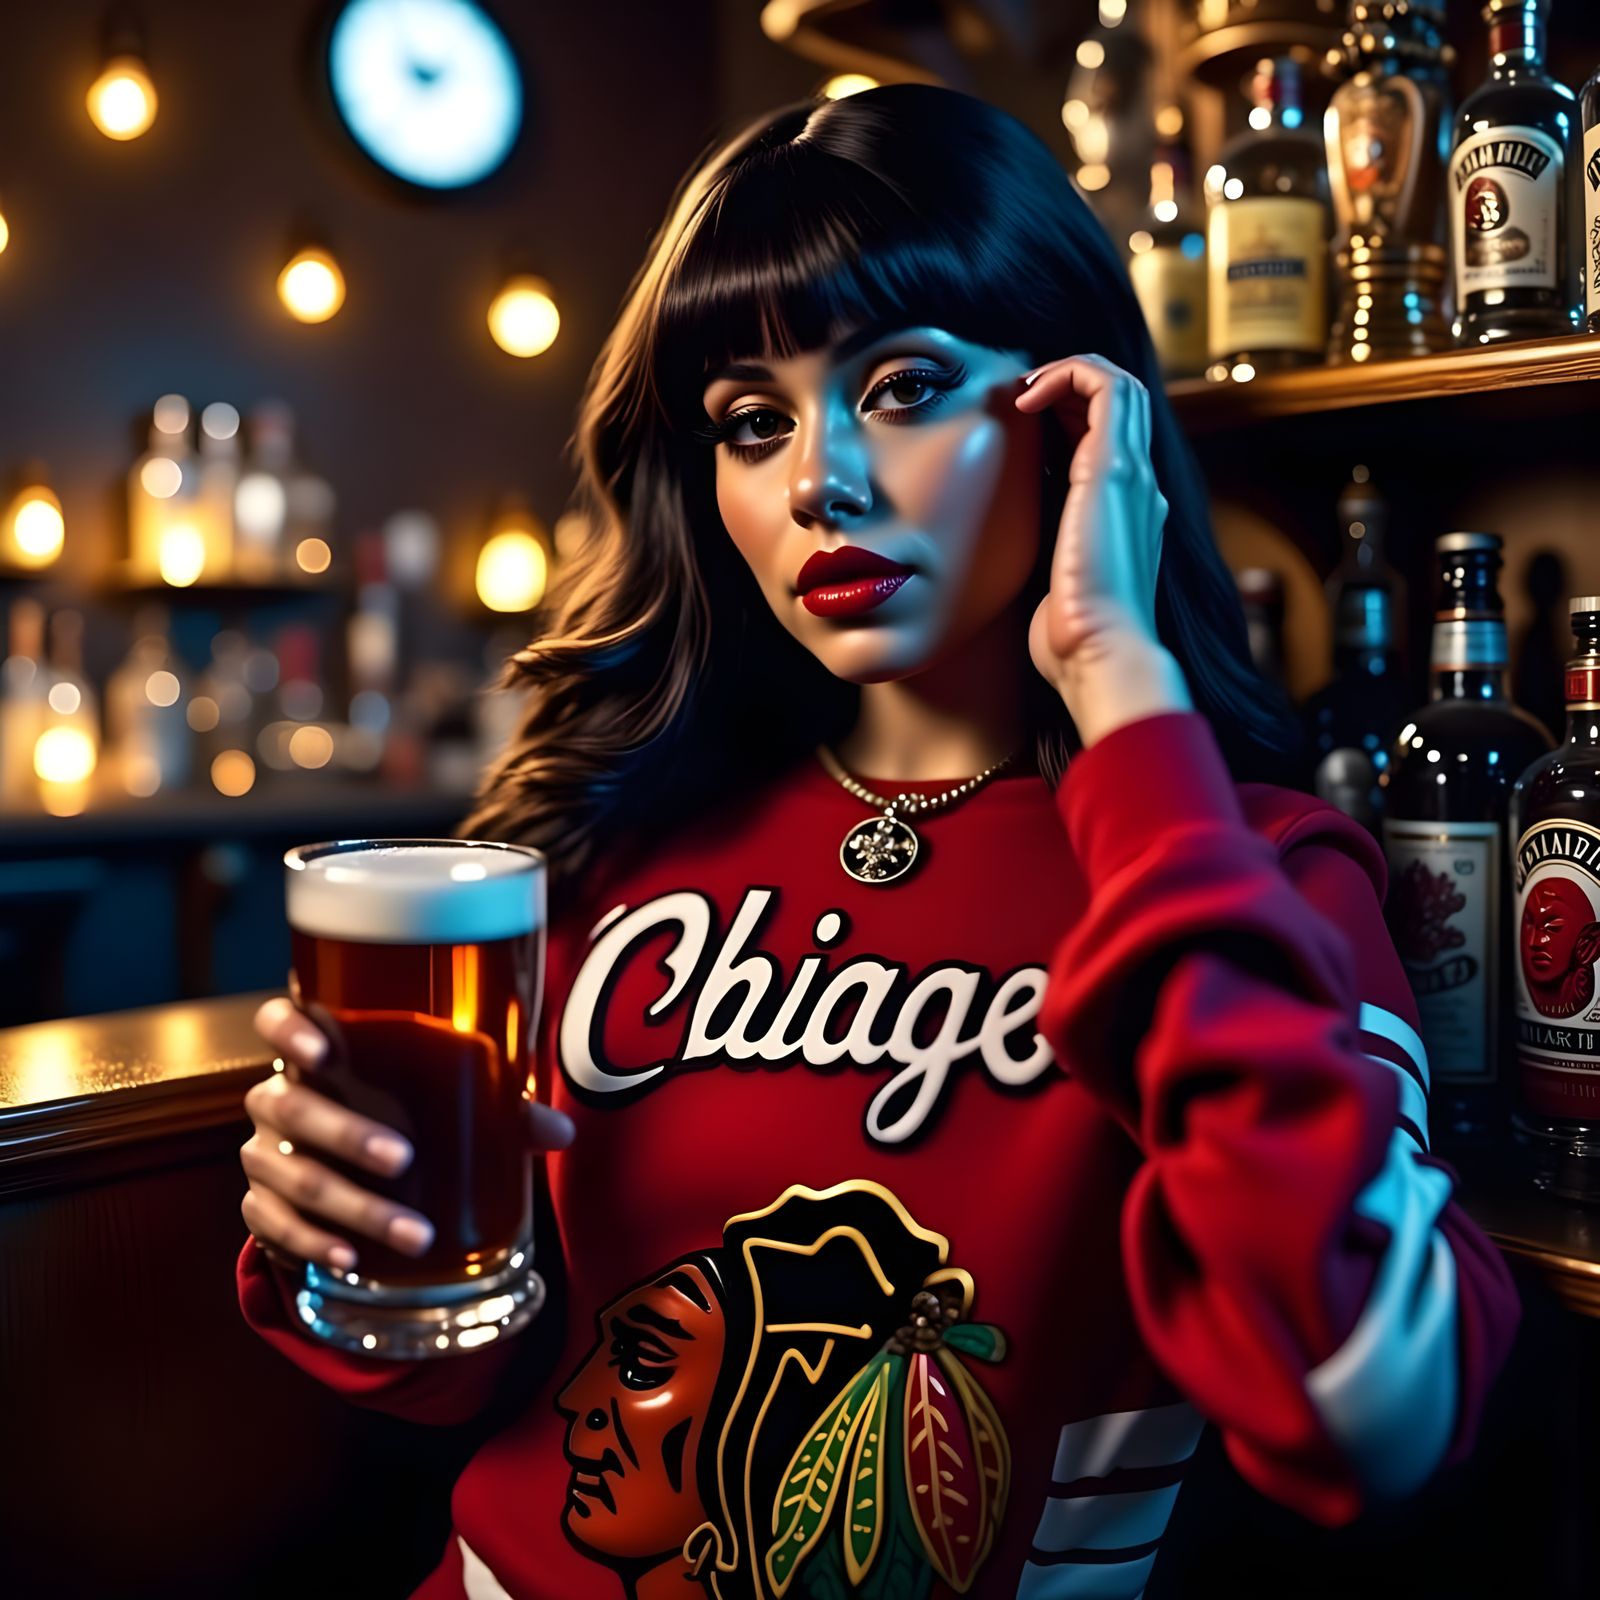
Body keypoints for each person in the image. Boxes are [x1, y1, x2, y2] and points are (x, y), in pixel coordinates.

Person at [237, 84, 1518, 1600]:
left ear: (1075, 407)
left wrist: (1116, 676)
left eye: (903, 386)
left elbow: (1365, 1401)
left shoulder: (1246, 874)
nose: (813, 483)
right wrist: (351, 1240)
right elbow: (490, 1371)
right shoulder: (610, 839)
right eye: (751, 421)